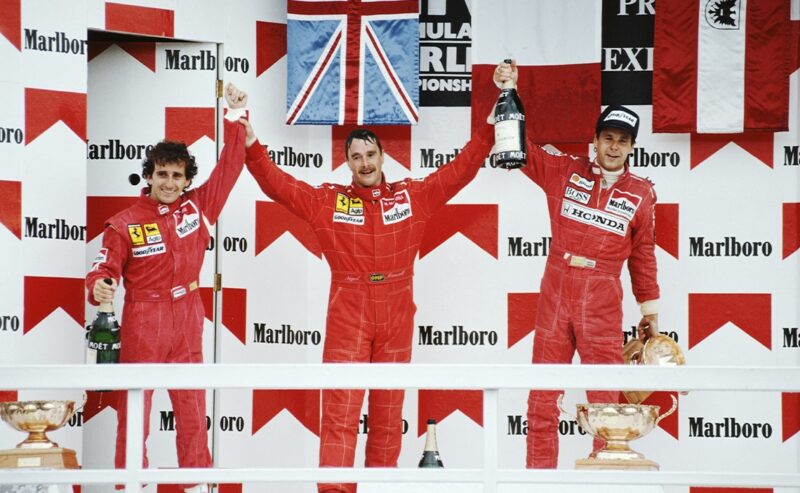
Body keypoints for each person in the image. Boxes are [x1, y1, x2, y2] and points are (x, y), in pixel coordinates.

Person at [239, 89, 495, 493]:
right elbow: (278, 184)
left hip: (396, 310)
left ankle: (380, 488)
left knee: (389, 414)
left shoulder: (412, 196)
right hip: (349, 309)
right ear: (347, 163)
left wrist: (489, 129)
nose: (365, 163)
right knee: (340, 410)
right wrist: (251, 142)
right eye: (356, 157)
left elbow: (460, 171)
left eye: (370, 155)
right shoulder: (328, 201)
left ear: (382, 156)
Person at [493, 62, 660, 469]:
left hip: (602, 296)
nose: (614, 147)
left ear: (632, 147)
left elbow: (643, 254)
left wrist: (650, 311)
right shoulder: (565, 171)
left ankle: (605, 478)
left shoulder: (642, 193)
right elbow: (520, 149)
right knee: (541, 397)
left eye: (623, 140)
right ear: (595, 141)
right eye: (608, 138)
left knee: (606, 402)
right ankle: (538, 480)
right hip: (556, 290)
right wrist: (507, 94)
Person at [85, 83, 251, 493]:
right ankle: (130, 487)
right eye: (163, 174)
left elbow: (231, 165)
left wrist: (236, 115)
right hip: (144, 317)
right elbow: (102, 270)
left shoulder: (199, 206)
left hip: (189, 314)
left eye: (178, 175)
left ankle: (196, 486)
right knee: (135, 413)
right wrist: (100, 287)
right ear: (149, 176)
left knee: (193, 409)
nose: (170, 182)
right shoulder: (125, 221)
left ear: (187, 178)